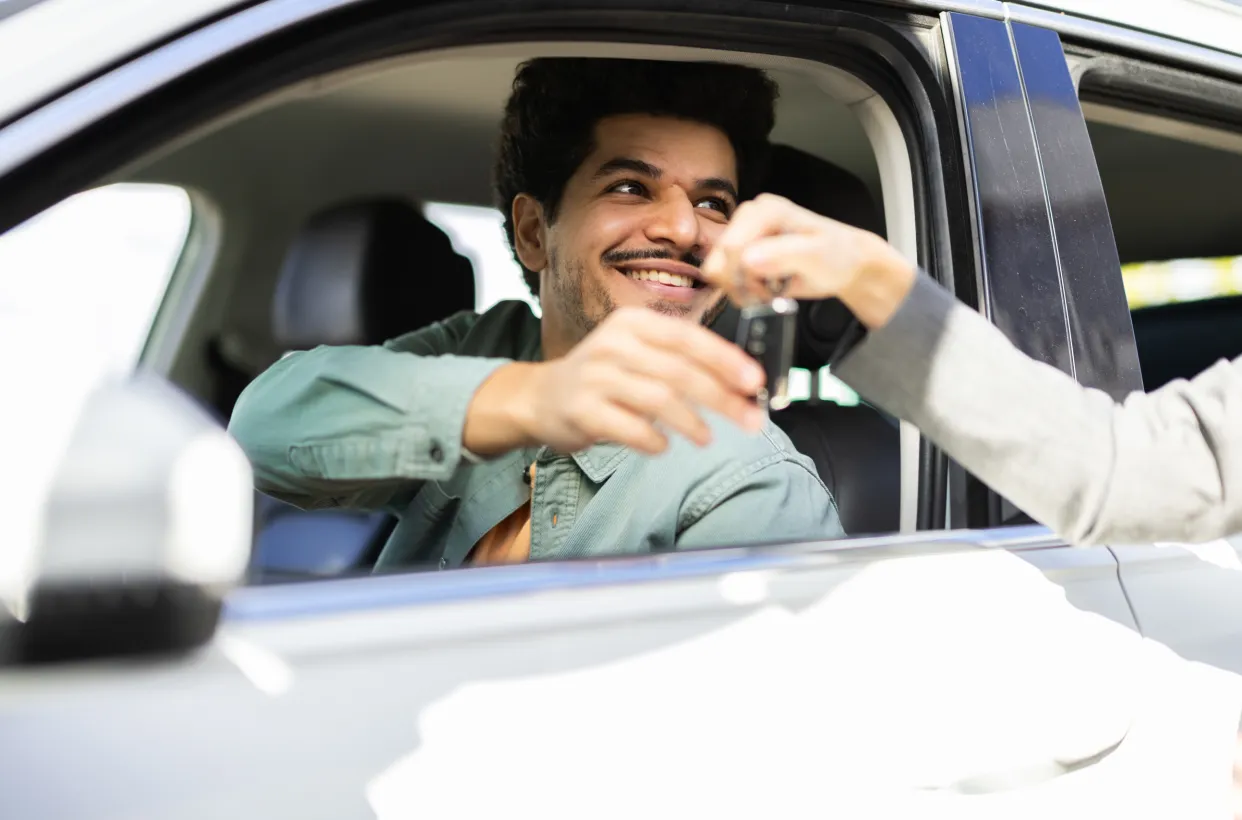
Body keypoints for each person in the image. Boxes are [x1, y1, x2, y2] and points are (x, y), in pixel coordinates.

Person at [228, 59, 842, 570]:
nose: (684, 228)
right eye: (630, 187)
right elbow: (263, 431)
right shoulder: (488, 345)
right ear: (532, 232)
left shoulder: (751, 485)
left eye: (713, 202)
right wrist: (531, 398)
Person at [698, 192, 1242, 546]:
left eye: (710, 204)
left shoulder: (757, 473)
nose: (680, 229)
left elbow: (1121, 476)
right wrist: (872, 280)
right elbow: (1119, 470)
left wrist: (872, 279)